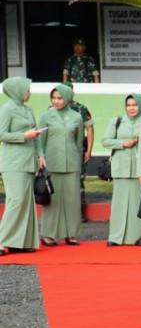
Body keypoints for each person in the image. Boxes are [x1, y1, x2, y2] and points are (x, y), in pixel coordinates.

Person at [0, 77, 43, 256]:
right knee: (16, 200)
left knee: (26, 202)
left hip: (29, 161)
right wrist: (24, 135)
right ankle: (2, 240)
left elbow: (36, 134)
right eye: (26, 90)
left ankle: (21, 241)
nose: (29, 93)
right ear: (17, 90)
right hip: (13, 162)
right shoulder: (6, 109)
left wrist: (41, 155)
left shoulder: (28, 109)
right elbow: (1, 134)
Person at [37, 83, 85, 246]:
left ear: (68, 98)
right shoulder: (46, 116)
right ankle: (48, 234)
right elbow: (40, 141)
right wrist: (40, 160)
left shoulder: (77, 117)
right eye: (54, 98)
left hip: (71, 163)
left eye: (60, 98)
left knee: (72, 200)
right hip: (52, 163)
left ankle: (70, 234)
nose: (56, 101)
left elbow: (78, 143)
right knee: (53, 200)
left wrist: (79, 164)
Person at [102, 94, 141, 246]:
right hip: (120, 167)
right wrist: (123, 143)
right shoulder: (117, 122)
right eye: (129, 105)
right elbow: (105, 141)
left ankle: (140, 237)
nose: (132, 108)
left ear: (140, 105)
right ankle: (116, 237)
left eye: (135, 104)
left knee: (138, 202)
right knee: (119, 204)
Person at [65, 84, 93, 223]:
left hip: (79, 150)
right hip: (60, 151)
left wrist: (89, 150)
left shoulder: (81, 108)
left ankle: (79, 211)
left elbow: (90, 129)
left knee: (78, 180)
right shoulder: (52, 109)